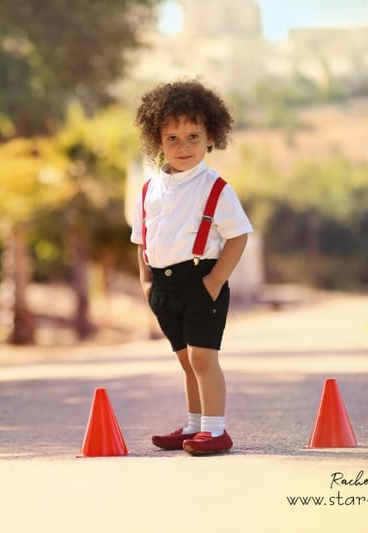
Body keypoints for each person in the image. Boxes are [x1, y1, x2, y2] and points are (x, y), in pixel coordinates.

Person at [131, 79, 253, 455]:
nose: (183, 147)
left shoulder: (215, 187)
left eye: (193, 137)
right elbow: (142, 238)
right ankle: (194, 425)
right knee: (186, 359)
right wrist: (147, 284)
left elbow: (238, 236)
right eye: (172, 138)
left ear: (210, 136)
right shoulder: (150, 188)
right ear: (157, 140)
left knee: (203, 357)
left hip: (201, 280)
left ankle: (216, 430)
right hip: (164, 287)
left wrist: (215, 282)